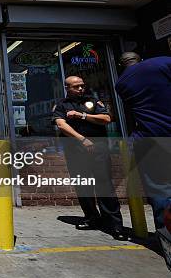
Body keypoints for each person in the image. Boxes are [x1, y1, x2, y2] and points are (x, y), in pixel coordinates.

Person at [52, 76, 127, 240]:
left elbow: (106, 119)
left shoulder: (93, 102)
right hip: (75, 152)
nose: (80, 89)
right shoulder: (61, 105)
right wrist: (83, 140)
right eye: (76, 86)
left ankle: (115, 225)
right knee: (83, 187)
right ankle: (91, 218)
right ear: (67, 88)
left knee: (104, 185)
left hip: (99, 150)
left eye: (82, 86)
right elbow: (61, 125)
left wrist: (82, 116)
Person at [115, 52, 171, 230]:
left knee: (160, 191)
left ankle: (166, 238)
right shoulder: (162, 62)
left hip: (149, 139)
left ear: (120, 65)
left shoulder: (121, 83)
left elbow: (132, 114)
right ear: (141, 59)